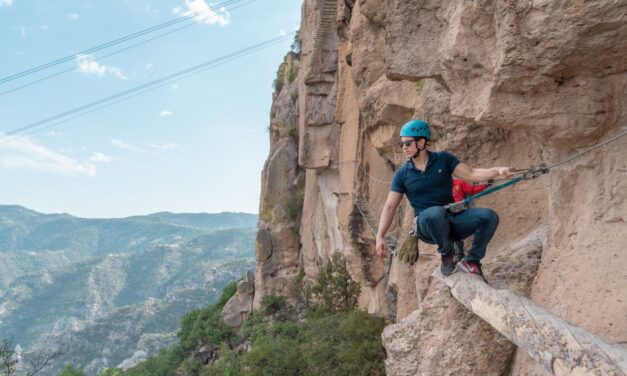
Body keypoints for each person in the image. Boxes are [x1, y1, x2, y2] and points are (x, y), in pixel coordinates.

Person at [375, 119, 512, 278]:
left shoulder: (443, 159)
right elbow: (390, 207)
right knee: (434, 213)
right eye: (402, 144)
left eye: (407, 143)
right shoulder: (402, 174)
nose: (404, 148)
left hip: (451, 219)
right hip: (426, 225)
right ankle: (447, 254)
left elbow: (472, 174)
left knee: (489, 217)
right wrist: (380, 236)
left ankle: (472, 260)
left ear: (421, 142)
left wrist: (498, 170)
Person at [451, 179, 490, 262]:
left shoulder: (459, 183)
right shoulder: (439, 187)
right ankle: (457, 255)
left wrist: (485, 185)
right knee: (451, 233)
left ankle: (460, 255)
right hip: (448, 212)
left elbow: (471, 189)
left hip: (460, 209)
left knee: (456, 232)